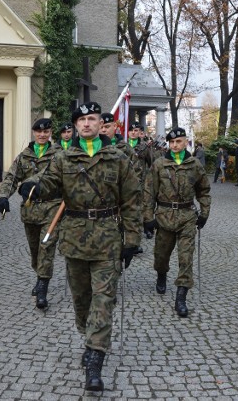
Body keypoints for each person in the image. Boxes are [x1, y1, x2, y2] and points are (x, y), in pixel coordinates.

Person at [18, 102, 141, 392]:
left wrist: (132, 239)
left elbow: (132, 200)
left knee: (104, 298)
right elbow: (48, 181)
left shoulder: (117, 157)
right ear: (75, 126)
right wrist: (32, 186)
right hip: (74, 239)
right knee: (81, 299)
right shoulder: (63, 157)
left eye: (92, 119)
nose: (86, 124)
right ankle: (89, 336)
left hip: (108, 238)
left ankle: (95, 357)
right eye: (81, 120)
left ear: (101, 123)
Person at [143, 127, 211, 317]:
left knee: (186, 258)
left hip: (187, 217)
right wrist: (148, 218)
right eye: (171, 142)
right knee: (161, 256)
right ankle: (161, 274)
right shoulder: (159, 164)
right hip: (164, 216)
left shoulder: (195, 164)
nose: (174, 145)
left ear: (185, 141)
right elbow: (149, 193)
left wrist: (204, 212)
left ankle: (181, 298)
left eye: (178, 142)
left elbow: (204, 190)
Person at [0, 118, 62, 309]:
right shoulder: (24, 155)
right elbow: (11, 177)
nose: (42, 135)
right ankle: (39, 274)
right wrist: (3, 197)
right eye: (38, 131)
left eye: (46, 131)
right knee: (35, 251)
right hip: (30, 210)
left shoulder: (59, 154)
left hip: (52, 207)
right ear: (34, 133)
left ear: (50, 132)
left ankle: (43, 286)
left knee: (46, 246)